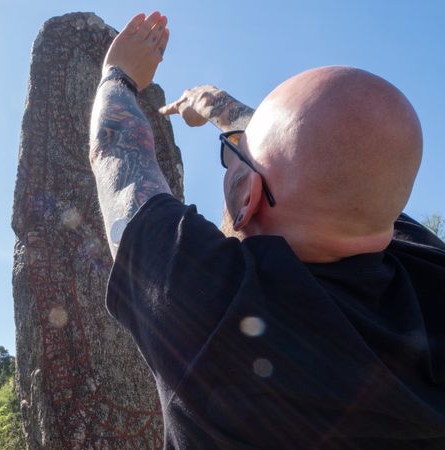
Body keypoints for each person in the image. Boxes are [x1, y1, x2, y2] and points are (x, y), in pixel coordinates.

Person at [89, 11, 445, 450]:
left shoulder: (218, 312)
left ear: (248, 197)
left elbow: (116, 156)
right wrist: (218, 106)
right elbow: (327, 153)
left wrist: (117, 74)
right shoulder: (428, 270)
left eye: (233, 157)